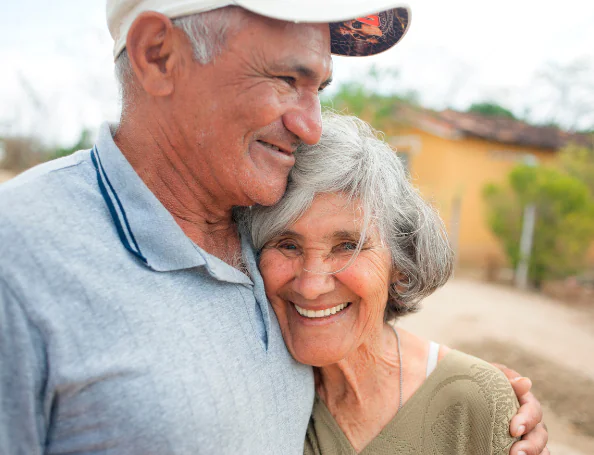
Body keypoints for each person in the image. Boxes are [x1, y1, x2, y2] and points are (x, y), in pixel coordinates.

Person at [0, 1, 548, 454]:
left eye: (320, 90)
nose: (311, 126)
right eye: (287, 79)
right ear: (158, 55)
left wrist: (478, 402)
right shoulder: (21, 258)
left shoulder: (258, 223)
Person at [246, 112, 537, 454]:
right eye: (287, 244)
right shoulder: (257, 387)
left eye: (348, 247)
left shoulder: (475, 400)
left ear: (400, 264)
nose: (311, 286)